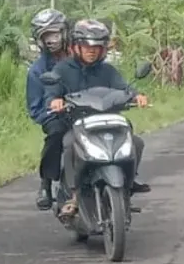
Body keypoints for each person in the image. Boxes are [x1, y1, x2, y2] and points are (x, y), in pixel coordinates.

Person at [45, 19, 150, 218]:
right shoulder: (63, 70)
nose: (91, 51)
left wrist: (137, 96)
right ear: (76, 46)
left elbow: (124, 88)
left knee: (136, 142)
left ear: (103, 49)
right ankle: (74, 196)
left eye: (97, 47)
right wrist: (55, 101)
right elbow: (52, 92)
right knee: (69, 145)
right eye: (86, 46)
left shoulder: (108, 71)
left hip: (108, 122)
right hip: (79, 125)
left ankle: (127, 185)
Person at [26, 8, 72, 211]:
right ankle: (46, 184)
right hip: (57, 117)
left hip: (90, 110)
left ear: (64, 32)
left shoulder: (83, 56)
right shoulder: (37, 70)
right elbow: (35, 108)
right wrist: (53, 110)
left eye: (54, 33)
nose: (51, 40)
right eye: (46, 36)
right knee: (55, 134)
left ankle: (126, 180)